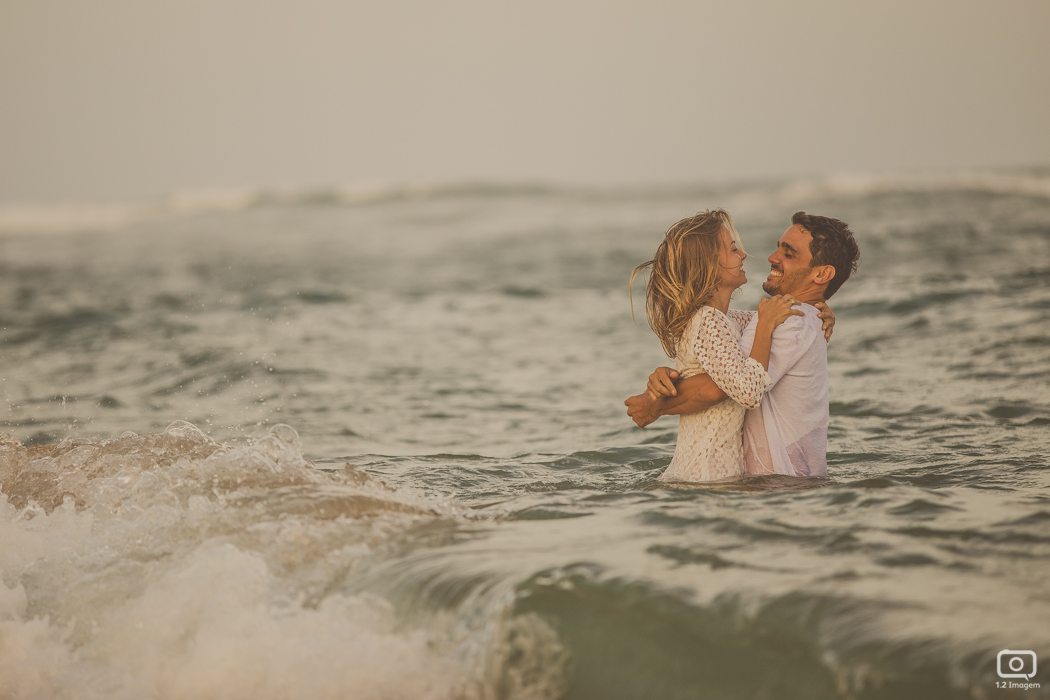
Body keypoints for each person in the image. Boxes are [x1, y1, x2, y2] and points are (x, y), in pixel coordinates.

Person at [627, 212, 860, 479]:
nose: (771, 257)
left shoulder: (790, 323)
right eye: (733, 248)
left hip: (777, 484)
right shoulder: (774, 321)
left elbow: (716, 389)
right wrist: (667, 381)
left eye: (789, 253)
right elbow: (727, 374)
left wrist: (654, 404)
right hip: (730, 479)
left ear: (822, 274)